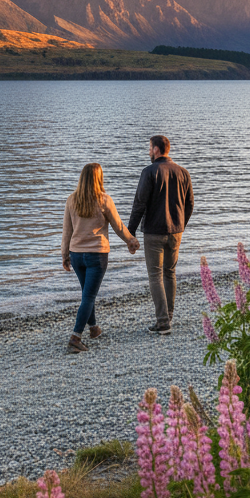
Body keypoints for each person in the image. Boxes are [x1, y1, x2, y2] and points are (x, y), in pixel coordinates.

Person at [61, 162, 139, 354]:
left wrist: (64, 254)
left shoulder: (71, 200)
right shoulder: (104, 200)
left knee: (87, 293)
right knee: (89, 295)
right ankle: (75, 337)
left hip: (77, 254)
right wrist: (131, 241)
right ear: (99, 178)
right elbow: (118, 225)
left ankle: (94, 328)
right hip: (97, 254)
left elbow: (66, 232)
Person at [128, 135, 193, 335]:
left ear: (156, 149)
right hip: (176, 231)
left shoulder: (149, 172)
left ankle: (163, 322)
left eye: (149, 147)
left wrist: (130, 232)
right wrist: (181, 224)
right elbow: (189, 204)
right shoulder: (183, 172)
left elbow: (140, 203)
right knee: (169, 273)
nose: (148, 151)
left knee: (155, 275)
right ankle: (168, 317)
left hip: (154, 231)